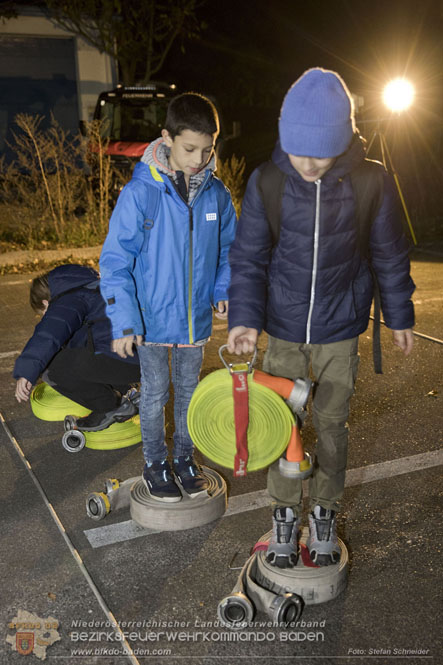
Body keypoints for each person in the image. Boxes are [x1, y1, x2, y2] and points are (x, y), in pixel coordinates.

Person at [227, 68, 415, 567]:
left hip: (339, 331)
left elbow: (389, 253)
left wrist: (398, 314)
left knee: (332, 426)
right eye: (297, 151)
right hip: (283, 331)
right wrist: (244, 319)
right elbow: (248, 257)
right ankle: (285, 517)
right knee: (278, 423)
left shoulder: (371, 181)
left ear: (343, 142)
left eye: (320, 152)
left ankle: (325, 515)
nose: (307, 163)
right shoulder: (267, 181)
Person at [99, 92, 237, 502]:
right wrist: (125, 320)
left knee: (190, 394)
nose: (198, 159)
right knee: (155, 394)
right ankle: (155, 462)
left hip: (194, 320)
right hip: (151, 321)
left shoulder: (217, 195)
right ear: (167, 138)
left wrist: (223, 288)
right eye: (189, 148)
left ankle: (185, 459)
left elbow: (231, 250)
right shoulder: (142, 193)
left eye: (207, 149)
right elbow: (115, 261)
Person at [14, 264, 141, 429]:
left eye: (42, 313)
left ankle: (111, 406)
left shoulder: (67, 300)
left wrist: (26, 371)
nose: (43, 318)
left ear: (47, 302)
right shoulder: (90, 288)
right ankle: (126, 391)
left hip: (126, 359)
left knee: (51, 369)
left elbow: (49, 334)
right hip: (139, 357)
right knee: (73, 351)